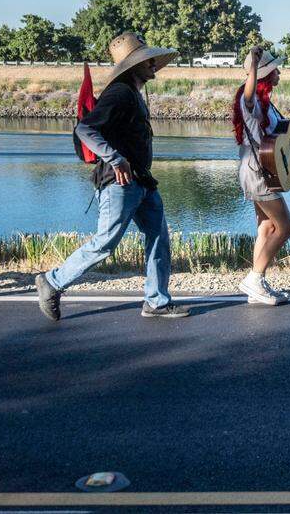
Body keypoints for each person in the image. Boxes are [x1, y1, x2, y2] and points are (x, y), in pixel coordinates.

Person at [35, 32, 189, 320]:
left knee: (158, 237)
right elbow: (85, 129)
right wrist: (116, 158)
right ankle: (52, 282)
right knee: (105, 244)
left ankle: (156, 302)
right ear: (133, 66)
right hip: (119, 183)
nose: (153, 63)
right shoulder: (119, 92)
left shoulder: (133, 92)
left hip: (142, 181)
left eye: (151, 58)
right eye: (146, 60)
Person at [232, 47, 290, 305]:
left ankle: (257, 286)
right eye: (275, 69)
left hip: (264, 170)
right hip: (257, 173)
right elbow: (249, 92)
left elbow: (277, 141)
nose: (280, 72)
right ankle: (254, 278)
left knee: (266, 227)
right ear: (265, 73)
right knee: (286, 227)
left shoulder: (268, 105)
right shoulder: (250, 101)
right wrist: (253, 63)